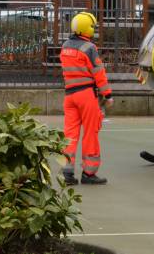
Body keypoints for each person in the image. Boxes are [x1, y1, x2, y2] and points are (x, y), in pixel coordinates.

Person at [60, 11, 113, 185]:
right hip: (86, 96)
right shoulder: (89, 48)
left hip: (69, 96)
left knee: (70, 135)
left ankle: (67, 174)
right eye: (93, 27)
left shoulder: (65, 46)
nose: (94, 30)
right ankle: (89, 174)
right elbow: (99, 73)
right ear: (86, 28)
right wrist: (108, 95)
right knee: (91, 133)